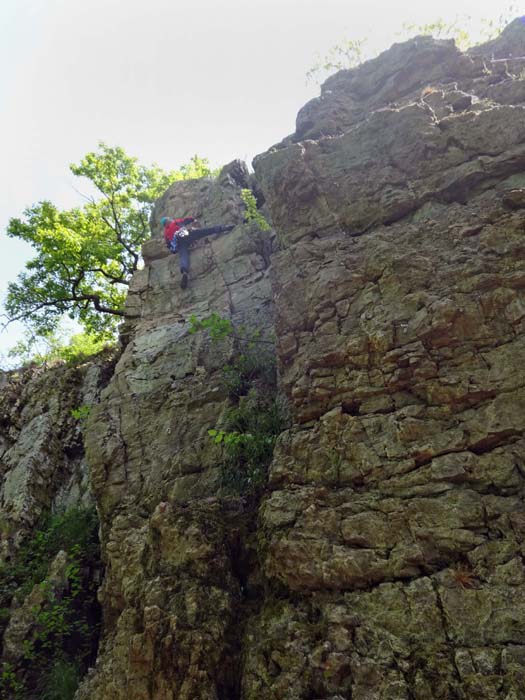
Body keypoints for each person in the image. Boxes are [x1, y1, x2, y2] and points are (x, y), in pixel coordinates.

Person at [161, 216, 234, 288]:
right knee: (205, 231)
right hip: (187, 235)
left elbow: (169, 245)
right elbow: (186, 220)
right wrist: (193, 219)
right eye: (169, 219)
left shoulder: (166, 233)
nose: (171, 219)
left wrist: (174, 250)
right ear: (168, 221)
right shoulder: (175, 222)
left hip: (180, 243)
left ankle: (184, 272)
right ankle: (222, 228)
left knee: (183, 255)